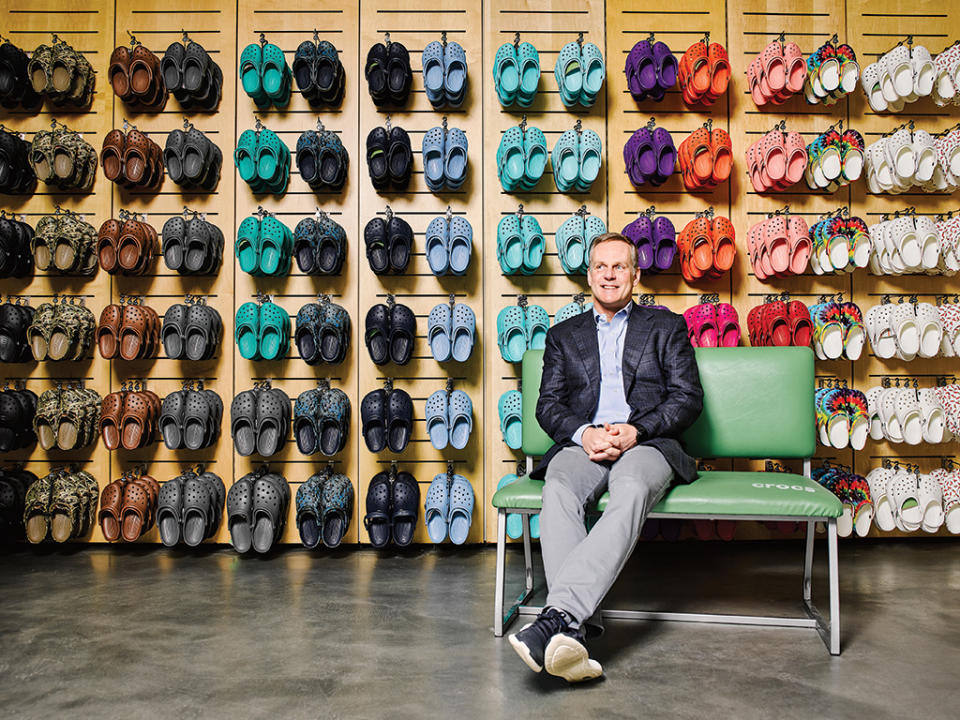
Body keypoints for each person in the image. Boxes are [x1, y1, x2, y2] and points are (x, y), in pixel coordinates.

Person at [508, 232, 704, 683]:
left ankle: (559, 619)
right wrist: (584, 432)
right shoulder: (561, 336)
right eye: (601, 266)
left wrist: (638, 430)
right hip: (583, 444)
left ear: (636, 274)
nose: (610, 274)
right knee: (557, 489)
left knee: (631, 488)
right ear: (589, 274)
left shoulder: (665, 326)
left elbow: (687, 398)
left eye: (619, 267)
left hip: (648, 444)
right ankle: (571, 632)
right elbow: (548, 405)